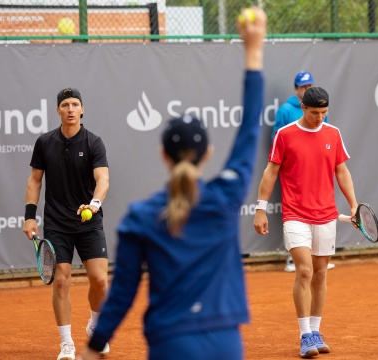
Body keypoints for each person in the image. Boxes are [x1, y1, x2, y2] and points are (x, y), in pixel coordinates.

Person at [78, 7, 266, 360]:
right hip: (225, 343)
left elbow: (123, 292)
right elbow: (249, 131)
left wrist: (94, 345)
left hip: (170, 344)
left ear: (163, 155)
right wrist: (253, 53)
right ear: (207, 153)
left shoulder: (140, 217)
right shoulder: (225, 196)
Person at [253, 86, 358, 358]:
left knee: (321, 274)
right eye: (314, 113)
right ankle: (304, 336)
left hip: (325, 216)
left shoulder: (333, 134)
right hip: (295, 215)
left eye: (324, 112)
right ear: (303, 108)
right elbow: (270, 172)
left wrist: (354, 205)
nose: (319, 117)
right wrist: (260, 209)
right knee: (304, 271)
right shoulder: (285, 135)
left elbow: (342, 171)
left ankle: (315, 330)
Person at [22, 87, 110, 360]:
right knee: (61, 281)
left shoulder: (94, 142)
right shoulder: (45, 142)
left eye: (75, 104)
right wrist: (28, 216)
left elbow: (103, 180)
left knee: (100, 281)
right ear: (58, 111)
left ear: (82, 110)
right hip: (57, 224)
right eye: (65, 105)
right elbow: (35, 180)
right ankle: (66, 344)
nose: (70, 109)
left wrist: (93, 206)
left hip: (89, 222)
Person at [273, 71, 332, 273]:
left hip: (316, 175)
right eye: (302, 86)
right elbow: (277, 141)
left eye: (309, 85)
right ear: (296, 89)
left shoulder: (321, 111)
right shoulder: (285, 110)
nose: (306, 89)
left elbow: (323, 135)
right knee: (293, 215)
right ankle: (292, 259)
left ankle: (318, 258)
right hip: (293, 173)